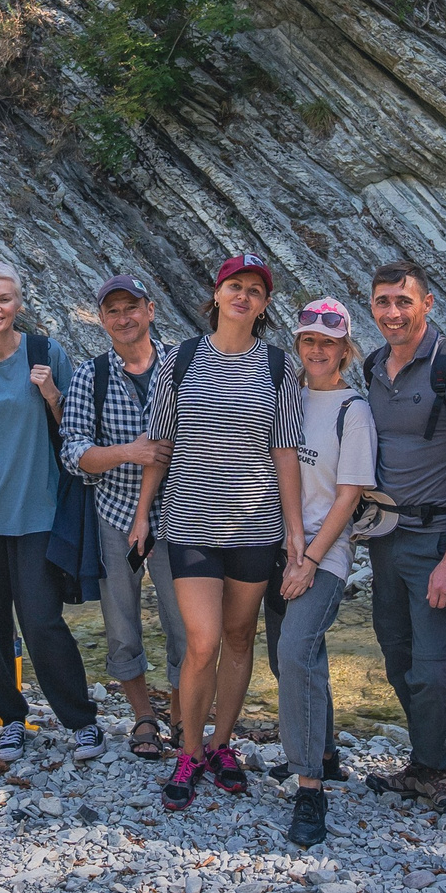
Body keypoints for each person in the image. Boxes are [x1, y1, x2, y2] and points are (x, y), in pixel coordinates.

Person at [133, 254, 302, 810]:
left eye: (256, 289)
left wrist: (294, 533)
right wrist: (142, 514)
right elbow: (159, 447)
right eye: (236, 286)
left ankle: (220, 745)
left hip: (256, 529)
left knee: (238, 638)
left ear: (265, 303)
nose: (244, 296)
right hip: (189, 525)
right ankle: (188, 749)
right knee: (201, 643)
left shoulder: (279, 368)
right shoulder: (178, 361)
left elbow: (285, 454)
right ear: (217, 293)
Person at [0, 260, 105, 763]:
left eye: (4, 299)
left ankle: (81, 720)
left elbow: (74, 434)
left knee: (40, 619)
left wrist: (53, 395)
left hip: (36, 512)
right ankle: (8, 718)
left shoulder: (47, 354)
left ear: (18, 304)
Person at [359, 261, 446, 813]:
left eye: (403, 301)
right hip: (385, 538)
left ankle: (438, 770)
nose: (393, 312)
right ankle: (423, 761)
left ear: (428, 303)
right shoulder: (373, 366)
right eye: (383, 301)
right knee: (397, 657)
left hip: (438, 536)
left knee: (434, 667)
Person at [60, 273, 185, 759]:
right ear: (101, 319)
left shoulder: (182, 365)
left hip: (181, 517)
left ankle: (181, 713)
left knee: (185, 624)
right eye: (113, 311)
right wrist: (128, 452)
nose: (123, 317)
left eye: (131, 307)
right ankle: (143, 718)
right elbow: (72, 453)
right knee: (121, 622)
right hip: (114, 515)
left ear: (150, 311)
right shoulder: (91, 376)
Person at [270, 299, 377, 846]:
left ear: (345, 349)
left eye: (328, 342)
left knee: (295, 650)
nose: (316, 350)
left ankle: (309, 788)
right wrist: (291, 546)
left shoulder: (351, 410)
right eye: (308, 340)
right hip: (278, 543)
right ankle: (326, 753)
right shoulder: (287, 396)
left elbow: (350, 493)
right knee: (292, 654)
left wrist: (310, 559)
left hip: (324, 553)